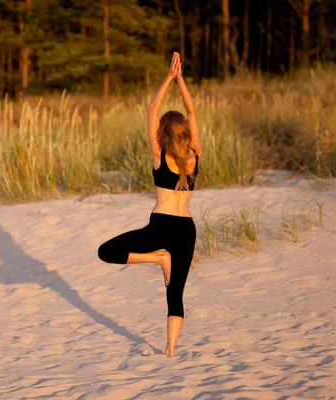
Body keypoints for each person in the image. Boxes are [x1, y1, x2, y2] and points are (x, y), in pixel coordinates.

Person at [97, 52, 202, 358]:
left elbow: (152, 109)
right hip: (186, 229)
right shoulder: (194, 154)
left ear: (163, 133)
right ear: (184, 132)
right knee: (176, 293)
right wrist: (182, 81)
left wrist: (169, 78)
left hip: (160, 228)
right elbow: (193, 113)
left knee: (107, 252)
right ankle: (170, 349)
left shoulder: (159, 155)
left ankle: (158, 260)